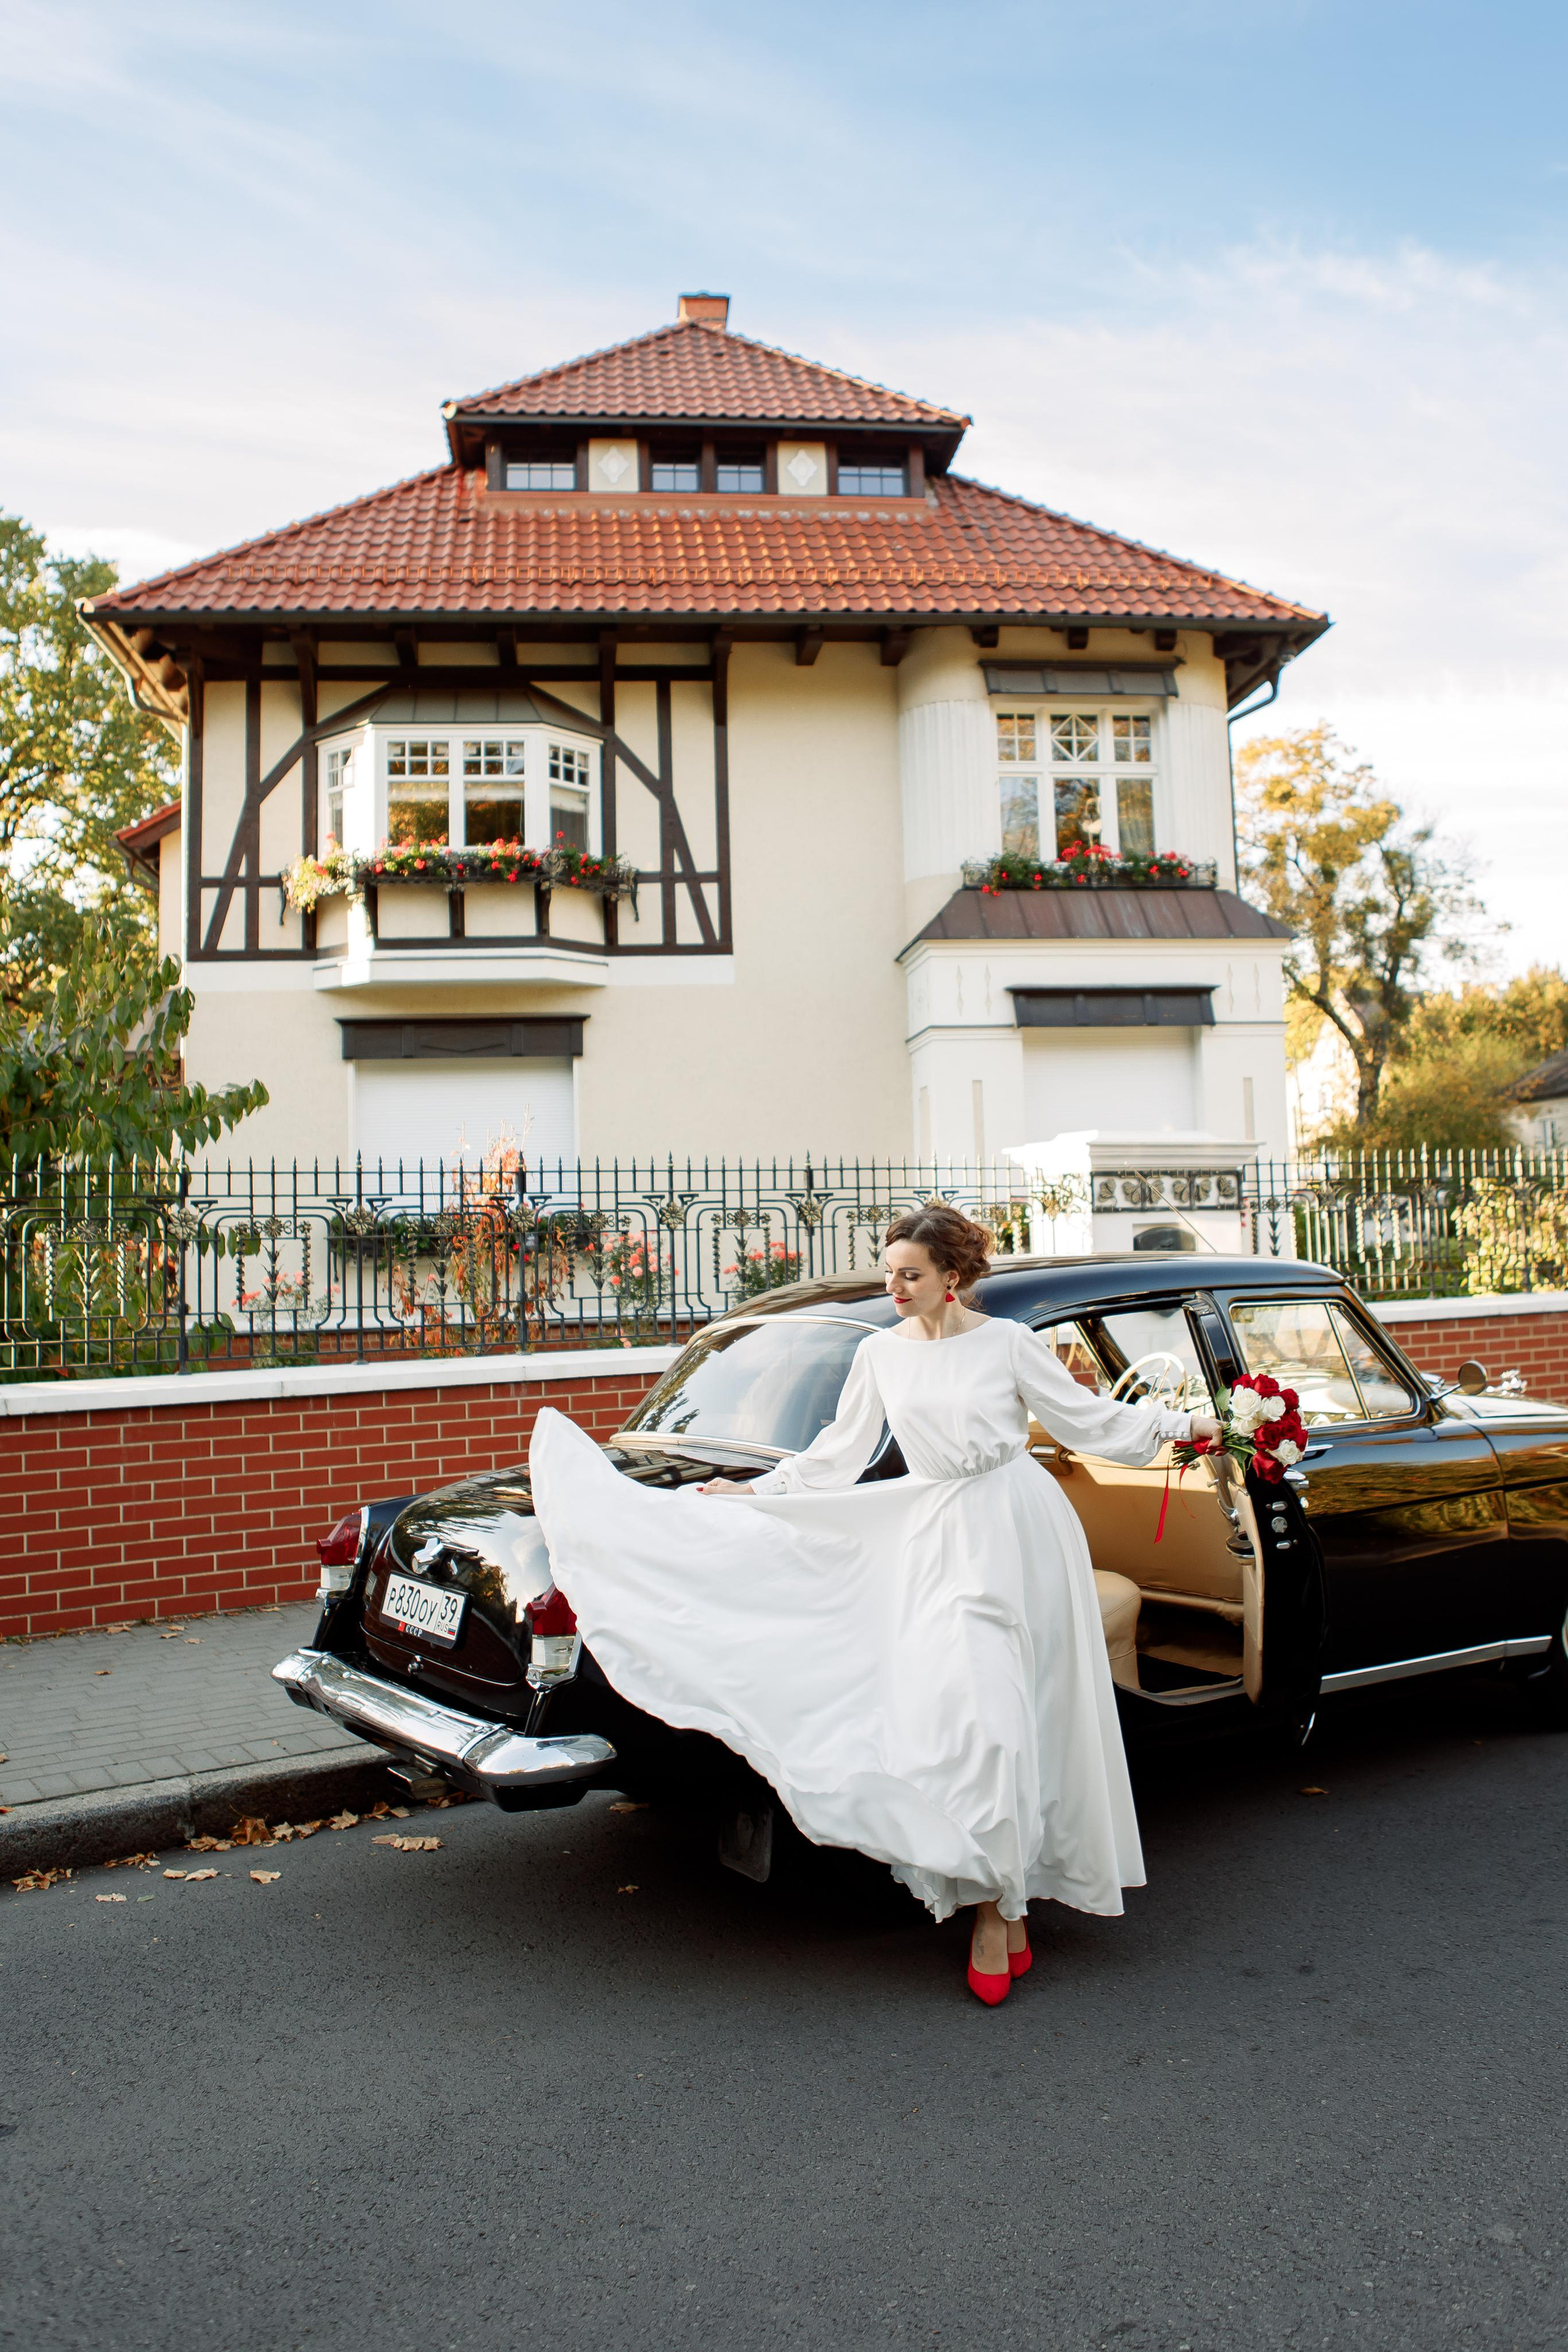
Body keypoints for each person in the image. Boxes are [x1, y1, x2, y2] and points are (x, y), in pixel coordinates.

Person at [528, 1204, 1220, 2005]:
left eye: (911, 1273)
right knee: (967, 1722)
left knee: (1013, 1718)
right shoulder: (883, 1357)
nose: (895, 1285)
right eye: (890, 1270)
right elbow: (835, 1457)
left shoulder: (1007, 1346)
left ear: (952, 1277)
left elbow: (1093, 1422)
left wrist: (1204, 1422)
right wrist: (752, 1493)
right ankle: (1000, 1896)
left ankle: (999, 1912)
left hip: (1015, 1530)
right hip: (933, 1539)